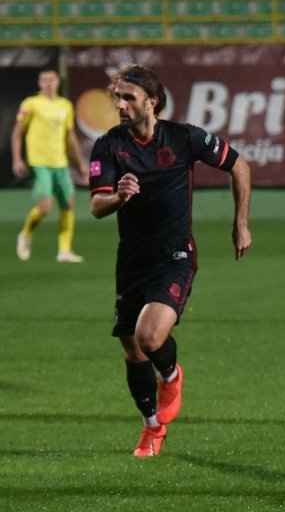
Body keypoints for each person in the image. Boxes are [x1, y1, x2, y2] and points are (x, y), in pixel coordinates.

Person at [88, 65, 252, 458]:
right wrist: (120, 197)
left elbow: (239, 165)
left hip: (175, 255)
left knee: (149, 338)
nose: (120, 104)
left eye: (128, 97)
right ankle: (151, 427)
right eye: (118, 97)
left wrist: (240, 224)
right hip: (132, 260)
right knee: (132, 350)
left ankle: (172, 376)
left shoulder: (183, 137)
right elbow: (97, 205)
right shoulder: (108, 145)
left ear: (152, 102)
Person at [11, 67, 87, 263]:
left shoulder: (65, 106)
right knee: (45, 208)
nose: (48, 83)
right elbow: (17, 133)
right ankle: (25, 234)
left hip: (60, 163)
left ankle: (64, 250)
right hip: (40, 163)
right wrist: (17, 159)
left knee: (67, 204)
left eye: (51, 79)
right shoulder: (31, 104)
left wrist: (79, 165)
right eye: (44, 80)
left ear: (57, 82)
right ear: (39, 83)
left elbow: (70, 138)